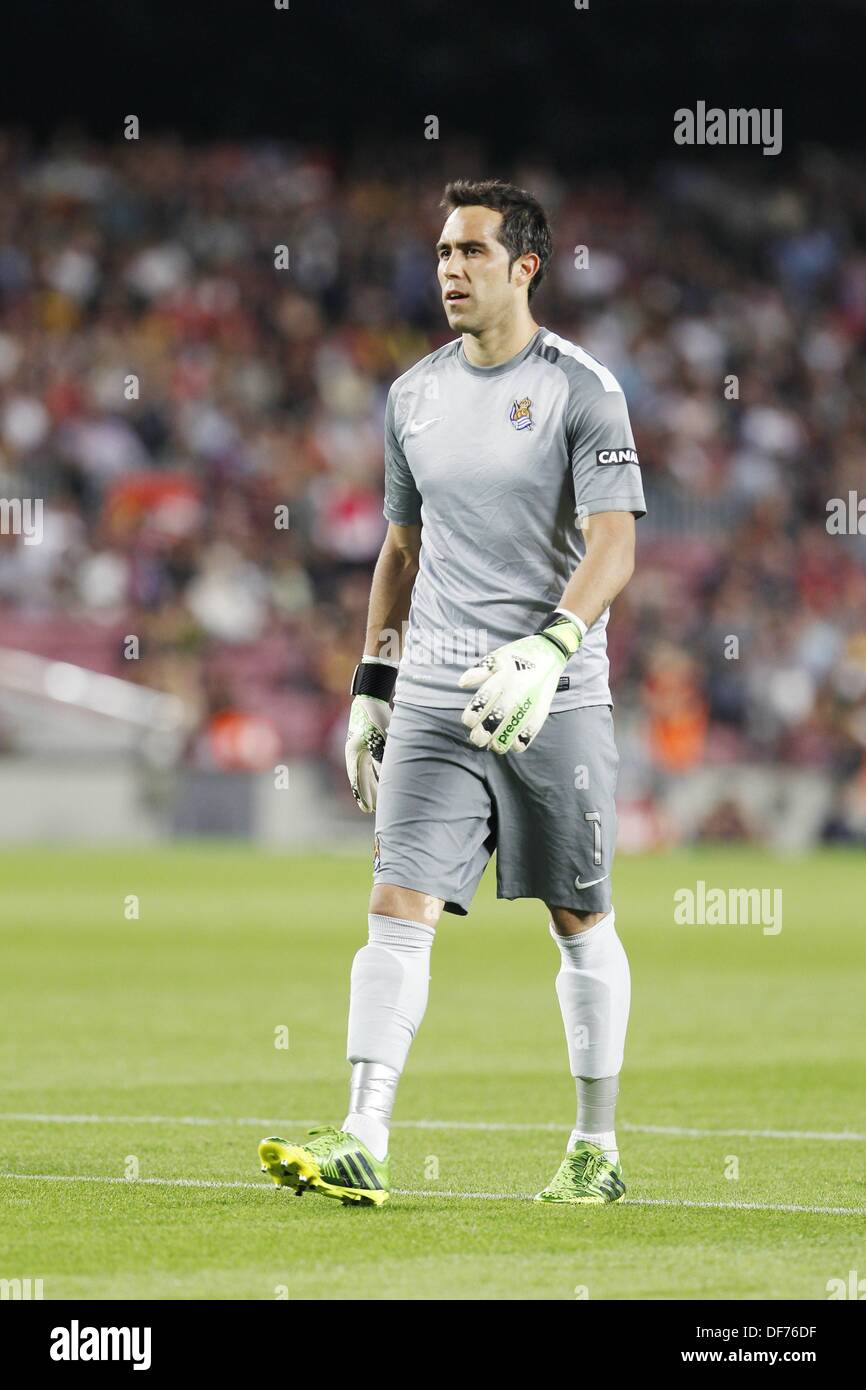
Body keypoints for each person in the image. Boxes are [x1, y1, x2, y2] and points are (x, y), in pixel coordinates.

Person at [259, 178, 646, 1206]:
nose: (448, 271)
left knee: (579, 919)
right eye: (440, 253)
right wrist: (373, 683)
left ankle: (593, 1148)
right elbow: (398, 546)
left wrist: (552, 646)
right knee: (394, 907)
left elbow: (614, 542)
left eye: (471, 252)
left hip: (548, 699)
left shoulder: (580, 388)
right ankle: (362, 1133)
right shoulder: (412, 395)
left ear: (523, 266)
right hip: (434, 689)